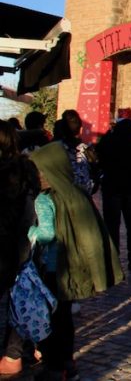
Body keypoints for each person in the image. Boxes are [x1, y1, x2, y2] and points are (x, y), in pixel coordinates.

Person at [29, 141, 123, 380]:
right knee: (65, 320)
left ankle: (53, 367)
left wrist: (30, 233)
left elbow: (47, 233)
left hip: (53, 269)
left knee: (51, 319)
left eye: (39, 171)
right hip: (72, 267)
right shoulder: (77, 192)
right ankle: (68, 364)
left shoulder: (45, 199)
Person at [0, 121, 41, 376]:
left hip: (6, 241)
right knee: (17, 298)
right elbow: (30, 210)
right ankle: (14, 354)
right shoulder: (26, 168)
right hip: (17, 242)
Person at [96, 117, 131, 270]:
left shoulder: (108, 140)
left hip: (112, 188)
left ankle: (113, 260)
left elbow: (99, 160)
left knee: (112, 225)